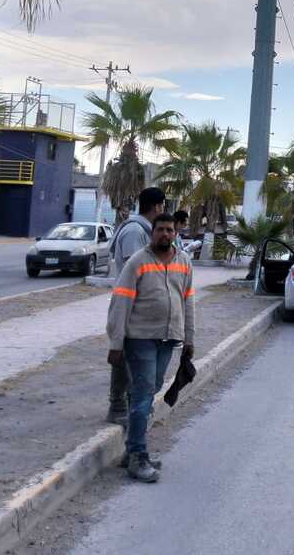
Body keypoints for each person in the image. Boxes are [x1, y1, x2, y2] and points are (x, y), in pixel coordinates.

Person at [106, 213, 195, 483]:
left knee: (147, 391)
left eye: (170, 230)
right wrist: (116, 342)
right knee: (144, 395)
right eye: (160, 230)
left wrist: (189, 338)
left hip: (169, 338)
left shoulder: (184, 262)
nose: (165, 234)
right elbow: (120, 303)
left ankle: (129, 451)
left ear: (175, 233)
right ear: (152, 232)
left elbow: (187, 302)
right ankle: (138, 456)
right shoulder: (137, 262)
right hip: (140, 338)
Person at [104, 187, 166, 427]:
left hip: (142, 303)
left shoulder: (143, 230)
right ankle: (117, 406)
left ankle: (131, 404)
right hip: (129, 302)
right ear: (157, 206)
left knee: (135, 356)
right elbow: (135, 268)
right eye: (163, 205)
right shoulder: (133, 230)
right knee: (122, 352)